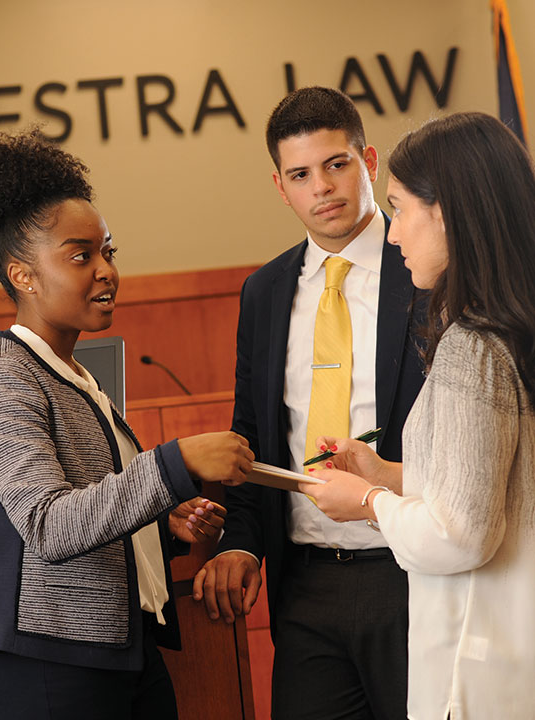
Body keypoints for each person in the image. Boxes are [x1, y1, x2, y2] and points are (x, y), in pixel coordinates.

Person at [0, 129, 254, 720]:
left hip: (117, 651)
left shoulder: (72, 373)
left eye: (108, 251)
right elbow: (49, 525)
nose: (106, 271)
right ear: (23, 275)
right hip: (48, 666)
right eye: (80, 255)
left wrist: (163, 524)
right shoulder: (2, 379)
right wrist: (178, 463)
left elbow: (92, 505)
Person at [193, 86, 426, 720]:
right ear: (281, 186)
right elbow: (251, 432)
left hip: (413, 568)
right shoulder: (265, 291)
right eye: (301, 174)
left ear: (368, 160)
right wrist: (239, 544)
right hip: (306, 582)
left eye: (336, 164)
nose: (322, 187)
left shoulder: (427, 268)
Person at [299, 111, 535, 720]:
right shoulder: (511, 327)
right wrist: (388, 475)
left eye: (400, 209)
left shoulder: (473, 344)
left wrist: (368, 504)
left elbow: (463, 535)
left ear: (449, 213)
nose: (394, 232)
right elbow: (497, 484)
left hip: (478, 665)